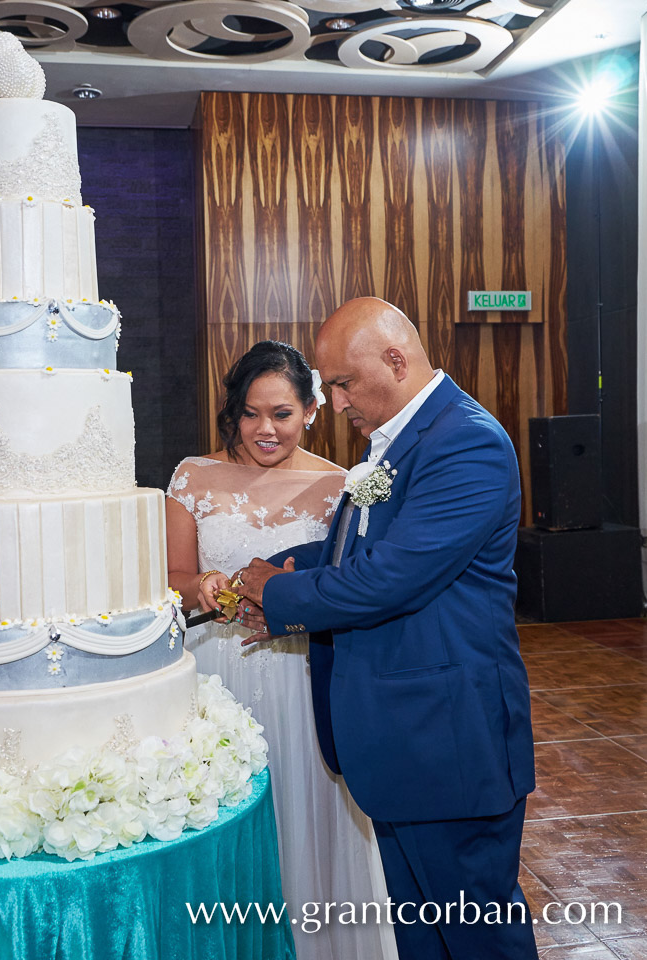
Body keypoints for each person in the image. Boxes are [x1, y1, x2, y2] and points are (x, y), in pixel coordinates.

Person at [235, 299, 537, 960]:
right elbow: (358, 552)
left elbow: (390, 579)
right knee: (424, 934)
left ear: (396, 361)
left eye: (342, 383)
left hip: (449, 738)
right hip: (404, 740)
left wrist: (278, 593)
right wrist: (282, 570)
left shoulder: (468, 442)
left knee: (476, 934)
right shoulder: (393, 440)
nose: (335, 401)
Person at [166, 341, 398, 960]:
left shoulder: (339, 485)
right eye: (250, 413)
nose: (265, 429)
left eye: (282, 414)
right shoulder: (192, 477)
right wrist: (203, 587)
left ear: (313, 410)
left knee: (308, 810)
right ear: (232, 411)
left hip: (304, 671)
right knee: (227, 810)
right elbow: (171, 576)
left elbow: (351, 583)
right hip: (216, 669)